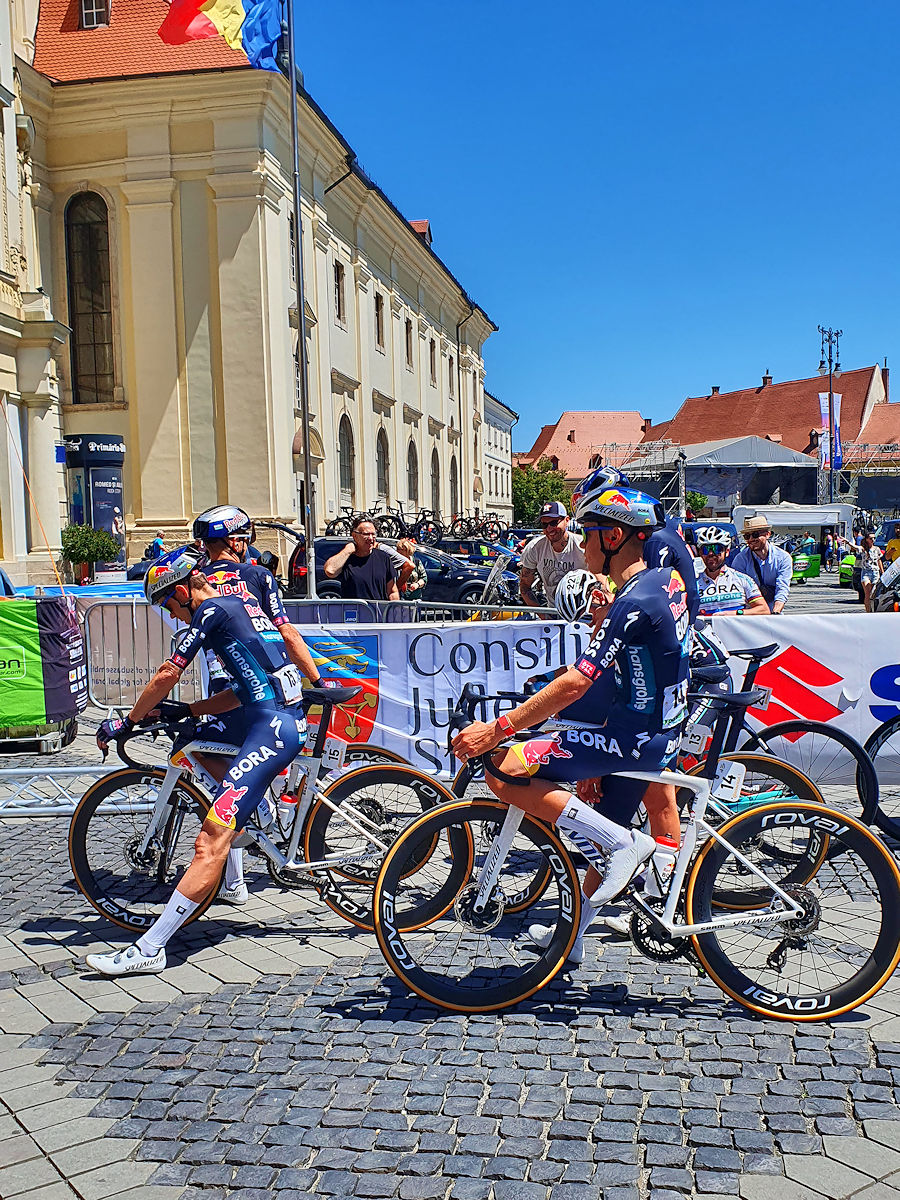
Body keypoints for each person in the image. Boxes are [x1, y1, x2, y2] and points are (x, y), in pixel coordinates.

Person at [452, 484, 690, 966]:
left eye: (589, 533)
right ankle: (575, 935)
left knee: (503, 770)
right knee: (609, 824)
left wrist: (499, 728)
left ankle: (624, 844)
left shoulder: (630, 602)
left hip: (634, 737)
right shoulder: (666, 579)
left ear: (614, 536)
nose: (582, 545)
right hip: (656, 728)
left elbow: (577, 683)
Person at [86, 549, 306, 976]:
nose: (174, 619)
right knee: (214, 787)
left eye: (169, 607)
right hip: (274, 720)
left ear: (184, 592)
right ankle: (255, 815)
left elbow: (168, 672)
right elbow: (245, 691)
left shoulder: (208, 613)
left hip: (273, 731)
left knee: (209, 842)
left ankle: (151, 947)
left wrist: (127, 721)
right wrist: (187, 710)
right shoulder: (238, 606)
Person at [194, 504, 335, 903]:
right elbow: (287, 633)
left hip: (223, 680)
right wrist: (318, 679)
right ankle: (262, 821)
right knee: (240, 771)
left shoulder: (195, 579)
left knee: (217, 769)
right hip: (262, 682)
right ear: (237, 540)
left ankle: (235, 880)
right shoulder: (258, 576)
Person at [519, 501, 587, 606]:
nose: (549, 529)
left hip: (583, 614)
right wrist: (543, 615)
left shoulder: (583, 546)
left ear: (567, 520)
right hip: (553, 613)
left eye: (554, 523)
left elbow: (601, 582)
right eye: (544, 524)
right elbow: (524, 587)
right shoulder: (534, 548)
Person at [323, 518, 408, 600]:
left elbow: (392, 591)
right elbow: (330, 571)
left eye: (373, 534)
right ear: (354, 536)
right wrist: (348, 550)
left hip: (378, 613)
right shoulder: (347, 558)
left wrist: (395, 611)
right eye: (366, 534)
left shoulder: (383, 558)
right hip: (354, 613)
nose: (371, 538)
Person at [694, 528, 769, 615]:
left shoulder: (743, 579)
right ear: (700, 553)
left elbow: (764, 610)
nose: (711, 554)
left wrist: (735, 613)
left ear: (727, 552)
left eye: (716, 549)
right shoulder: (693, 583)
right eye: (705, 550)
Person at [731, 516, 792, 614]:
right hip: (751, 612)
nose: (751, 539)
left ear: (768, 534)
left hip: (774, 610)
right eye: (747, 536)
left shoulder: (783, 557)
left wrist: (775, 612)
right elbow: (737, 589)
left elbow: (782, 587)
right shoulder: (740, 559)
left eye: (755, 535)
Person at [839, 530, 882, 611]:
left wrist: (882, 572)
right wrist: (848, 542)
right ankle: (868, 611)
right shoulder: (863, 549)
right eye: (871, 538)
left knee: (873, 594)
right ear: (866, 539)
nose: (873, 540)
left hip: (875, 572)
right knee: (867, 593)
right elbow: (855, 547)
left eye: (874, 538)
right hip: (866, 572)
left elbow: (879, 560)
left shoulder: (877, 549)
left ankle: (873, 609)